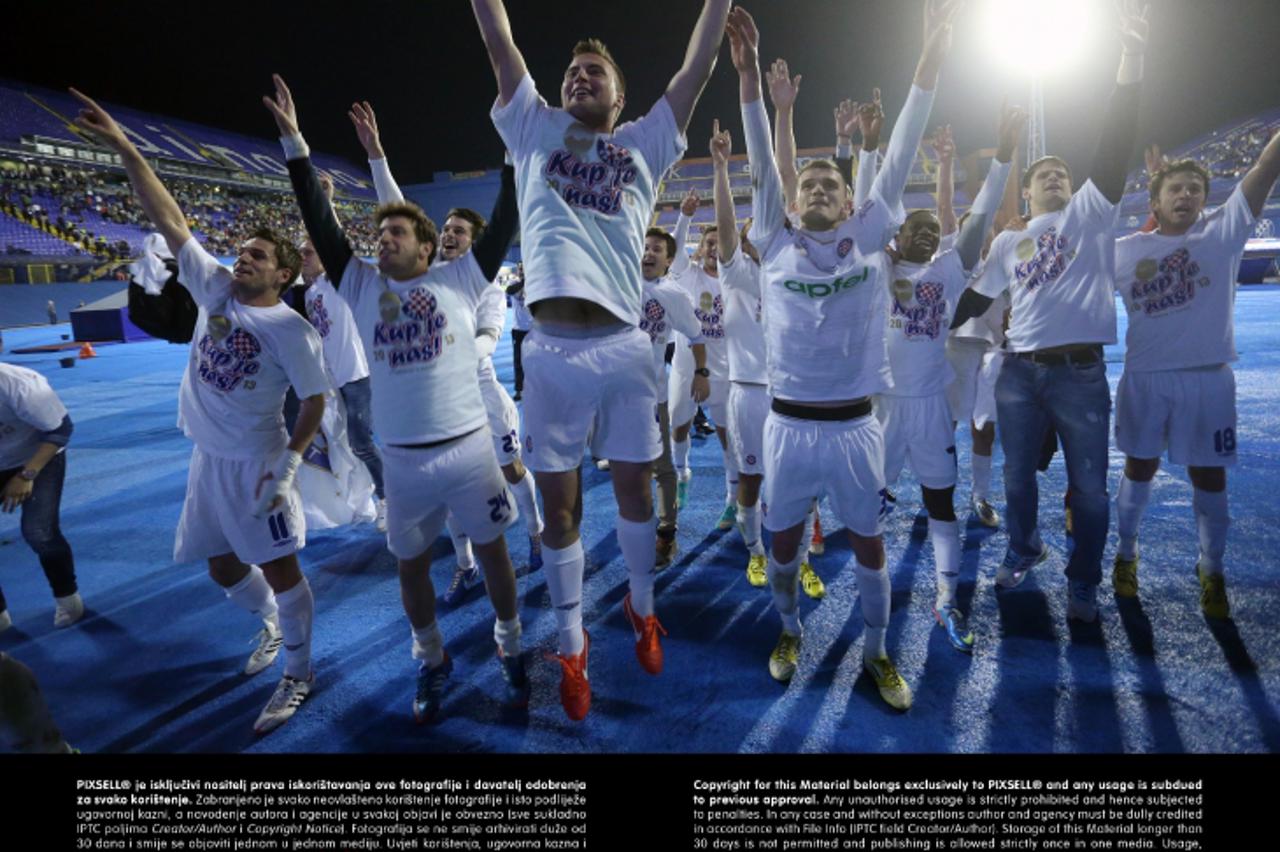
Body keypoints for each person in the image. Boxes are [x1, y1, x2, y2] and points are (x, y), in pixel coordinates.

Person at [472, 0, 730, 720]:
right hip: (549, 352)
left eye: (595, 72)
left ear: (620, 97)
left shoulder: (645, 144)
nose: (580, 77)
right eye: (572, 72)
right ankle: (572, 641)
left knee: (636, 495)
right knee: (559, 511)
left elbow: (696, 67)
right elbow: (497, 35)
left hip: (624, 347)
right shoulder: (532, 126)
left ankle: (644, 608)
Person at [266, 76, 529, 723]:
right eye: (377, 234)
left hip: (470, 451)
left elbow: (510, 208)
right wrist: (296, 143)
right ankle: (431, 656)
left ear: (425, 244)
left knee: (494, 553)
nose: (380, 239)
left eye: (394, 234)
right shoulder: (357, 285)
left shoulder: (464, 277)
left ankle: (511, 642)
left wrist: (514, 138)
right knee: (412, 572)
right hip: (405, 464)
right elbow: (321, 222)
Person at [71, 88, 329, 735]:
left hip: (256, 463)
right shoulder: (213, 285)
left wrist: (291, 466)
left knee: (281, 568)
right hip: (207, 460)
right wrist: (127, 146)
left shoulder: (294, 331)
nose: (242, 258)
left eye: (258, 256)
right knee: (219, 563)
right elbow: (169, 218)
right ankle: (272, 626)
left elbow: (317, 398)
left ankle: (298, 673)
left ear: (281, 276)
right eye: (241, 251)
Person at [731, 0, 956, 710]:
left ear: (854, 198)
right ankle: (792, 630)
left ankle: (878, 653)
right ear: (794, 204)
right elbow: (765, 165)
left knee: (868, 550)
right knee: (784, 551)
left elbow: (905, 139)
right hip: (787, 427)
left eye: (832, 182)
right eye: (809, 185)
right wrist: (749, 87)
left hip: (858, 426)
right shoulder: (774, 242)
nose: (818, 187)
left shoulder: (869, 241)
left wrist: (928, 64)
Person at [951, 0, 1149, 623]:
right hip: (1018, 372)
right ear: (1030, 190)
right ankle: (1023, 548)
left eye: (1064, 172)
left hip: (1080, 373)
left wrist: (1131, 57)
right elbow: (975, 301)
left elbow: (1113, 145)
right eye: (1047, 174)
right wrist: (919, 325)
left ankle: (1083, 581)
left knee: (1089, 492)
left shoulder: (1091, 213)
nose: (1059, 177)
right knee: (1016, 482)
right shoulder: (1011, 241)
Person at [348, 100, 545, 593]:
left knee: (511, 470)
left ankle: (537, 533)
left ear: (476, 241)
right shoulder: (429, 278)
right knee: (448, 497)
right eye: (447, 231)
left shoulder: (485, 285)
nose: (450, 236)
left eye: (460, 232)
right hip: (436, 411)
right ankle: (464, 563)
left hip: (482, 399)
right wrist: (376, 155)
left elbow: (488, 338)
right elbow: (398, 209)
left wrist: (452, 355)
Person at [1112, 130, 1280, 618]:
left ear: (1207, 200)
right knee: (1138, 467)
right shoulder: (1125, 251)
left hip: (1209, 378)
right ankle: (1126, 556)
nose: (1186, 195)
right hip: (1146, 377)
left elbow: (1264, 171)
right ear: (1155, 201)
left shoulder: (1221, 236)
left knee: (1210, 477)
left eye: (1194, 189)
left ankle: (1212, 569)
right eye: (1175, 189)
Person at [876, 108, 1020, 653]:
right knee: (868, 506)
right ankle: (874, 590)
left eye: (934, 230)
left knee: (941, 503)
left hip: (931, 405)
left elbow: (979, 218)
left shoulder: (944, 270)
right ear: (898, 235)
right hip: (883, 409)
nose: (930, 234)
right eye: (920, 229)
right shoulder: (879, 270)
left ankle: (945, 600)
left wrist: (1003, 156)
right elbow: (867, 208)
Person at [708, 121, 780, 593]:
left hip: (794, 393)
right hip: (750, 392)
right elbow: (728, 230)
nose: (750, 237)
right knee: (751, 477)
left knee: (796, 481)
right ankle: (755, 552)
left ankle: (794, 547)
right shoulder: (735, 274)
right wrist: (721, 167)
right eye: (747, 232)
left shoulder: (787, 273)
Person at [297, 174, 386, 532]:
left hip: (356, 375)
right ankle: (355, 497)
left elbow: (332, 241)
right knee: (342, 443)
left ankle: (388, 499)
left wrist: (326, 202)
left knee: (363, 443)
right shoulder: (309, 292)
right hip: (330, 379)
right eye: (300, 253)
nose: (302, 257)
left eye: (308, 252)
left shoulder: (336, 284)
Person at [640, 226, 706, 568]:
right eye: (645, 247)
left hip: (651, 396)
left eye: (656, 250)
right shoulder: (618, 282)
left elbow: (696, 336)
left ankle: (666, 533)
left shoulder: (674, 295)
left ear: (668, 261)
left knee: (662, 467)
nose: (648, 253)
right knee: (628, 468)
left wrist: (701, 372)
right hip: (612, 396)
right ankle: (636, 530)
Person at [667, 191, 735, 523]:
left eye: (719, 241)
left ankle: (733, 498)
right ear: (701, 248)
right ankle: (681, 475)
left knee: (729, 439)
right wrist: (685, 216)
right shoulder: (688, 275)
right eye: (708, 242)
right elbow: (675, 251)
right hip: (684, 369)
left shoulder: (737, 280)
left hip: (724, 371)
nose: (713, 247)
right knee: (677, 429)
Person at [0, 362, 83, 631]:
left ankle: (68, 598)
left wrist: (26, 476)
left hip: (36, 458)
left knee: (39, 531)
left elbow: (60, 430)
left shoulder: (19, 383)